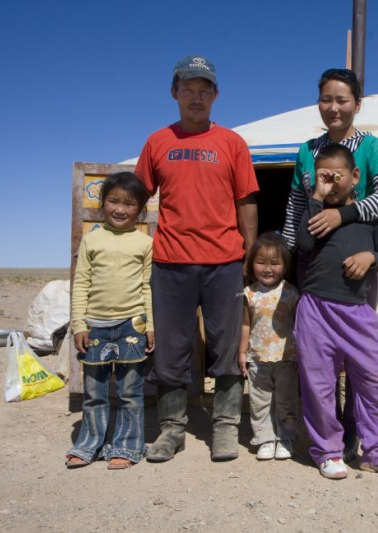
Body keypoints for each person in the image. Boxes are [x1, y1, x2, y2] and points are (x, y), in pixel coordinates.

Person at [134, 54, 259, 462]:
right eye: (188, 89)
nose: (196, 97)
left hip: (224, 259)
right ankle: (172, 429)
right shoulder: (157, 142)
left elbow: (246, 200)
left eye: (204, 90)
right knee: (171, 348)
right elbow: (136, 199)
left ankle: (224, 428)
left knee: (225, 346)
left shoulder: (232, 143)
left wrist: (249, 250)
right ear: (174, 92)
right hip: (170, 261)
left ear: (216, 95)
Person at [282, 68, 378, 461]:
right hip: (313, 272)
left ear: (357, 104)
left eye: (342, 100)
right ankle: (328, 442)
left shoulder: (371, 146)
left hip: (356, 272)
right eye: (326, 99)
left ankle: (358, 435)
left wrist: (343, 217)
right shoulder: (307, 149)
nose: (333, 107)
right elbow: (296, 207)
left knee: (360, 360)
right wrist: (285, 259)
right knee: (320, 363)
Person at [295, 144, 378, 480]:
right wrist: (315, 197)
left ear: (356, 176)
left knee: (374, 381)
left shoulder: (371, 215)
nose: (331, 183)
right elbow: (302, 242)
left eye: (337, 176)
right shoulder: (315, 211)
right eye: (323, 176)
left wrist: (370, 258)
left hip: (357, 313)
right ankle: (328, 452)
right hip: (316, 310)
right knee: (319, 385)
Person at [65, 172, 154, 470]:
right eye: (113, 201)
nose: (119, 209)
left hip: (132, 325)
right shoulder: (92, 240)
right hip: (95, 326)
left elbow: (147, 287)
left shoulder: (144, 243)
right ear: (102, 203)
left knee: (130, 392)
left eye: (128, 204)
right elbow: (81, 284)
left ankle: (127, 447)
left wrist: (150, 325)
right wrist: (78, 324)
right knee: (94, 392)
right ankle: (89, 444)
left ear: (140, 209)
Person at [239, 232, 300, 461]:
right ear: (251, 262)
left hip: (287, 358)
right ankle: (264, 438)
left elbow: (298, 325)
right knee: (259, 401)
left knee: (286, 400)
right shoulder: (249, 293)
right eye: (261, 262)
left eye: (275, 263)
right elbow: (246, 325)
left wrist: (301, 355)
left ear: (285, 266)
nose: (268, 268)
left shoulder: (291, 292)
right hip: (257, 358)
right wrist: (242, 352)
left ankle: (284, 438)